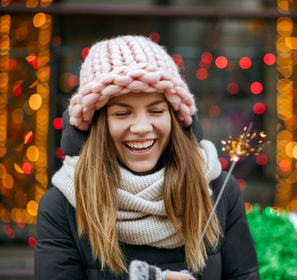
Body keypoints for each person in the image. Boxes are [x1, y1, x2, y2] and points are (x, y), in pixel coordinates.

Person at [34, 35, 260, 280]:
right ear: (98, 123)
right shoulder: (62, 205)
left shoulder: (219, 192)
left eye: (156, 110)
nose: (141, 127)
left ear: (174, 116)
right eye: (122, 113)